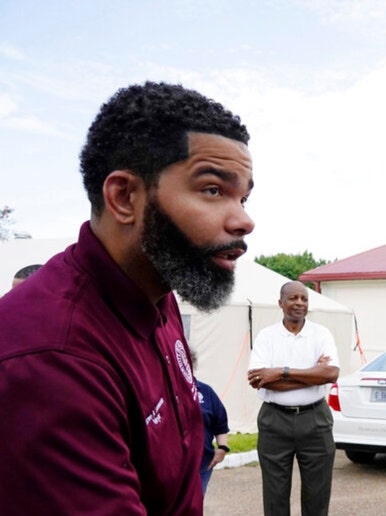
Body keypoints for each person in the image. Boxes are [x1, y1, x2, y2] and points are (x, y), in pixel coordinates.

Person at [0, 81, 254, 514]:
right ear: (123, 197)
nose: (244, 220)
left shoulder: (159, 293)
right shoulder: (52, 356)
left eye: (244, 197)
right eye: (213, 190)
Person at [247, 281, 340, 516]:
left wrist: (281, 372)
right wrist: (312, 374)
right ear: (280, 303)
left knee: (317, 495)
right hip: (274, 420)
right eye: (293, 298)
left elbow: (330, 373)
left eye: (304, 299)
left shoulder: (321, 334)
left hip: (315, 420)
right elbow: (258, 380)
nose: (299, 303)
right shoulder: (266, 337)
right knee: (275, 495)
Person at [193, 351, 231, 496]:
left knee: (195, 505)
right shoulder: (164, 390)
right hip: (172, 467)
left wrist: (222, 448)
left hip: (203, 463)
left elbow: (220, 421)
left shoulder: (205, 391)